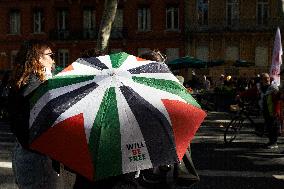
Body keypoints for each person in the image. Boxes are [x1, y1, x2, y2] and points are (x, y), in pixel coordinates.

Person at [139, 50, 200, 187]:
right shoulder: (173, 83)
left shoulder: (150, 84)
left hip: (160, 145)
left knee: (157, 179)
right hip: (168, 143)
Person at [8, 40, 59, 188]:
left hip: (24, 152)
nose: (53, 60)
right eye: (50, 55)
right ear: (37, 58)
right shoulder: (36, 86)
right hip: (37, 156)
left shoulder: (22, 82)